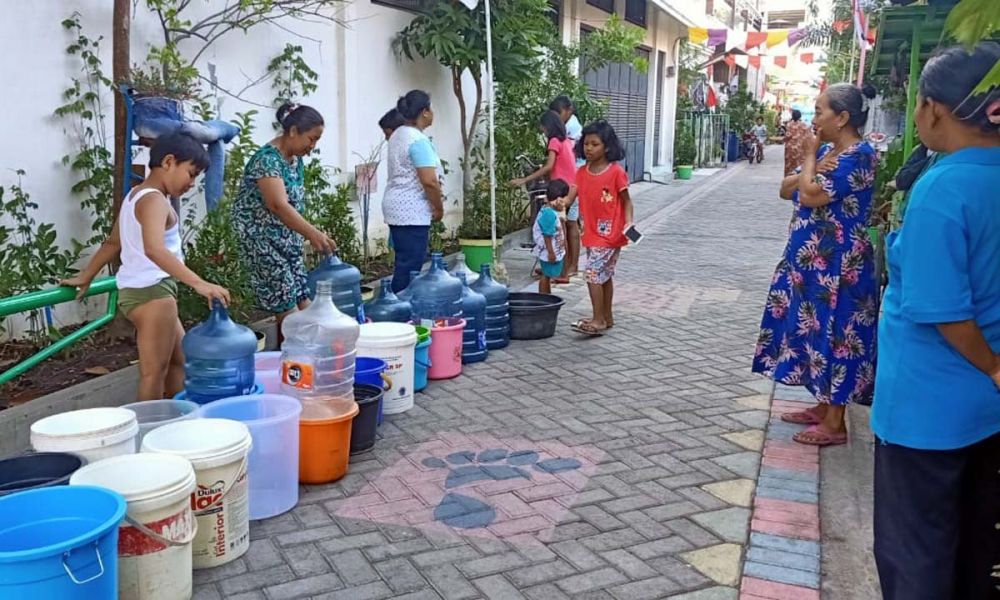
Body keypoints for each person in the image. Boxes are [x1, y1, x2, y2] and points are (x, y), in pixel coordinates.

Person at [870, 42, 1000, 600]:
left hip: (927, 409)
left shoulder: (943, 189)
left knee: (915, 553)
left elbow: (945, 310)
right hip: (983, 412)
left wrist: (994, 367)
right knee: (973, 546)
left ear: (933, 110)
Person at [752, 82, 880, 446]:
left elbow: (807, 194)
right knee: (813, 332)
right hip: (811, 266)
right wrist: (814, 160)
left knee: (840, 336)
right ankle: (823, 407)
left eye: (820, 111)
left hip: (841, 268)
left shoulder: (860, 156)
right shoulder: (827, 150)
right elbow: (784, 188)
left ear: (842, 118)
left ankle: (836, 421)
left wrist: (809, 160)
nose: (815, 118)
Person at [61, 134, 230, 400]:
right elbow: (154, 249)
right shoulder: (154, 200)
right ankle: (148, 431)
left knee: (180, 359)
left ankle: (179, 418)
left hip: (142, 291)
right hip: (153, 292)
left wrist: (87, 275)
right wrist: (200, 283)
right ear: (169, 161)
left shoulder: (135, 195)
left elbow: (113, 242)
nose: (192, 183)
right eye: (191, 173)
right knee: (154, 373)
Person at [232, 103, 335, 343]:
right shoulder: (267, 161)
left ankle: (306, 355)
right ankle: (297, 363)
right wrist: (313, 233)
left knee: (302, 297)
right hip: (263, 243)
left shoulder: (294, 160)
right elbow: (278, 205)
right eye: (311, 139)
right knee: (288, 307)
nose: (313, 146)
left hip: (287, 242)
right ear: (293, 131)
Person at [570, 120, 633, 337]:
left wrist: (629, 223)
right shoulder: (581, 172)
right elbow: (572, 196)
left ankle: (597, 319)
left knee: (592, 273)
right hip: (590, 233)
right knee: (603, 275)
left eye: (594, 144)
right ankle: (606, 316)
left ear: (606, 146)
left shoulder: (616, 172)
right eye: (586, 144)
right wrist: (560, 202)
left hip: (611, 233)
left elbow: (626, 200)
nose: (589, 148)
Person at [382, 90, 444, 293]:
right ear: (424, 112)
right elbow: (429, 181)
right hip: (411, 211)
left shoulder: (398, 135)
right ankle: (399, 313)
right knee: (410, 269)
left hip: (396, 207)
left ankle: (397, 308)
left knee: (404, 263)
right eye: (431, 108)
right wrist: (438, 208)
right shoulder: (417, 140)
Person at [549, 96, 584, 279]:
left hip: (573, 184)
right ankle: (566, 265)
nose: (558, 117)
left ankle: (572, 266)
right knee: (567, 225)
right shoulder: (566, 129)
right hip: (568, 184)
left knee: (570, 225)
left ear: (568, 109)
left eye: (559, 113)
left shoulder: (571, 129)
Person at [532, 179, 569, 295]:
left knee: (547, 275)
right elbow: (547, 235)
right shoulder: (548, 214)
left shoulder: (551, 211)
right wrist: (551, 252)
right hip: (549, 250)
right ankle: (544, 296)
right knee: (546, 274)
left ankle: (547, 295)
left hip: (552, 248)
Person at [783, 109, 810, 176]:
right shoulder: (804, 125)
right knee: (799, 164)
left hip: (790, 149)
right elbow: (807, 136)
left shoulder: (789, 125)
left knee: (789, 164)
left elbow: (787, 136)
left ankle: (789, 179)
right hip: (800, 148)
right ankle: (798, 179)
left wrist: (784, 139)